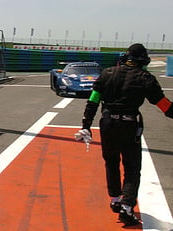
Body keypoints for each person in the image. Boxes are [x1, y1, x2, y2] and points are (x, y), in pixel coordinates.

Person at [75, 43, 173, 226]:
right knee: (132, 167)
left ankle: (115, 199)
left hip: (107, 123)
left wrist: (85, 125)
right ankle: (127, 207)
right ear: (143, 60)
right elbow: (164, 105)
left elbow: (93, 100)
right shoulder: (146, 78)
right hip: (129, 125)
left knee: (111, 162)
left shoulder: (107, 73)